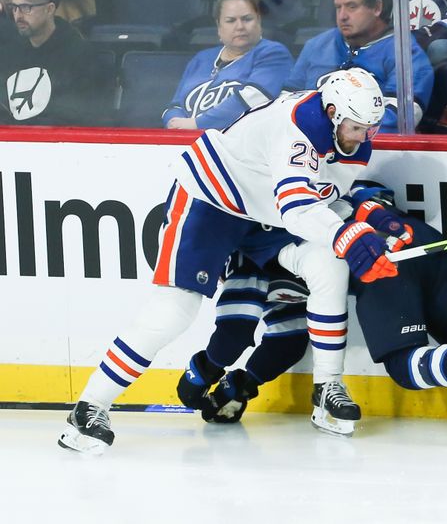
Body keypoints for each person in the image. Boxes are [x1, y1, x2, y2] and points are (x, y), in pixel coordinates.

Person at [57, 68, 401, 454]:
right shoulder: (299, 125)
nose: (364, 138)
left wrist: (366, 223)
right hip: (212, 199)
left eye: (370, 129)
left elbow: (321, 198)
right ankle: (89, 408)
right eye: (357, 128)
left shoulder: (352, 138)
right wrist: (347, 236)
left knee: (329, 267)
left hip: (264, 212)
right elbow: (298, 208)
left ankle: (327, 388)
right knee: (175, 310)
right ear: (333, 111)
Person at [175, 195, 447, 432]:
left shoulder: (246, 252)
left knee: (404, 366)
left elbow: (233, 335)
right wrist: (243, 382)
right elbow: (288, 338)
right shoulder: (297, 182)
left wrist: (201, 374)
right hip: (414, 236)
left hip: (380, 263)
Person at [283, 0, 434, 133]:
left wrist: (336, 134)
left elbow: (397, 122)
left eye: (352, 6)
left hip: (370, 153)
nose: (342, 16)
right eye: (338, 7)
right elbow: (285, 104)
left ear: (376, 8)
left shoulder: (406, 55)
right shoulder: (316, 46)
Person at [163, 0, 294, 131]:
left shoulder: (273, 53)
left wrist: (197, 124)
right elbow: (175, 105)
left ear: (259, 21)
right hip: (189, 143)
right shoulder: (201, 59)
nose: (240, 27)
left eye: (247, 19)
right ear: (219, 27)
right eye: (231, 21)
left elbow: (255, 98)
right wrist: (173, 123)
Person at [0, 0, 102, 125]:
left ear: (49, 9)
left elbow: (80, 114)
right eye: (14, 8)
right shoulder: (8, 53)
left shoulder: (79, 53)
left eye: (26, 8)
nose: (18, 15)